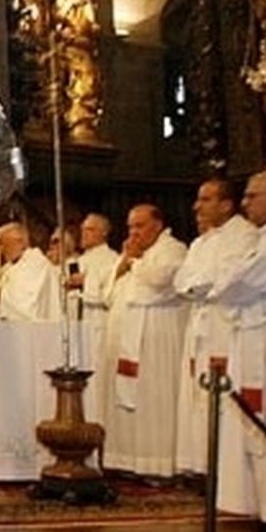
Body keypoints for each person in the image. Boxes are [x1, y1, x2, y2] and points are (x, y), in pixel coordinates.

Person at [209, 169, 266, 522]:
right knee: (253, 417)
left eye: (251, 196)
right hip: (251, 331)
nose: (244, 203)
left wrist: (223, 286)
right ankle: (262, 502)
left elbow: (241, 281)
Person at [173, 179, 258, 475]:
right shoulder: (200, 242)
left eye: (206, 199)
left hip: (225, 324)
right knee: (198, 396)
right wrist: (200, 287)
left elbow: (230, 278)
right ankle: (204, 465)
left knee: (223, 397)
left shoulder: (245, 235)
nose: (197, 206)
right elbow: (181, 281)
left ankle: (228, 470)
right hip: (200, 323)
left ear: (226, 204)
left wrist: (202, 287)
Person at [101, 204, 189, 477]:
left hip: (155, 339)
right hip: (126, 336)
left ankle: (155, 464)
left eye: (139, 226)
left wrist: (134, 262)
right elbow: (109, 294)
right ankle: (124, 460)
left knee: (152, 399)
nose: (133, 233)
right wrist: (126, 262)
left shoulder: (172, 249)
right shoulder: (132, 253)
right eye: (130, 227)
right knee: (124, 402)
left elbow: (161, 281)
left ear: (158, 225)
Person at [0, 222, 62, 321]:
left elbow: (28, 306)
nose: (1, 250)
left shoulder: (36, 264)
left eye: (4, 244)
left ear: (19, 242)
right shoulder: (10, 267)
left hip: (32, 329)